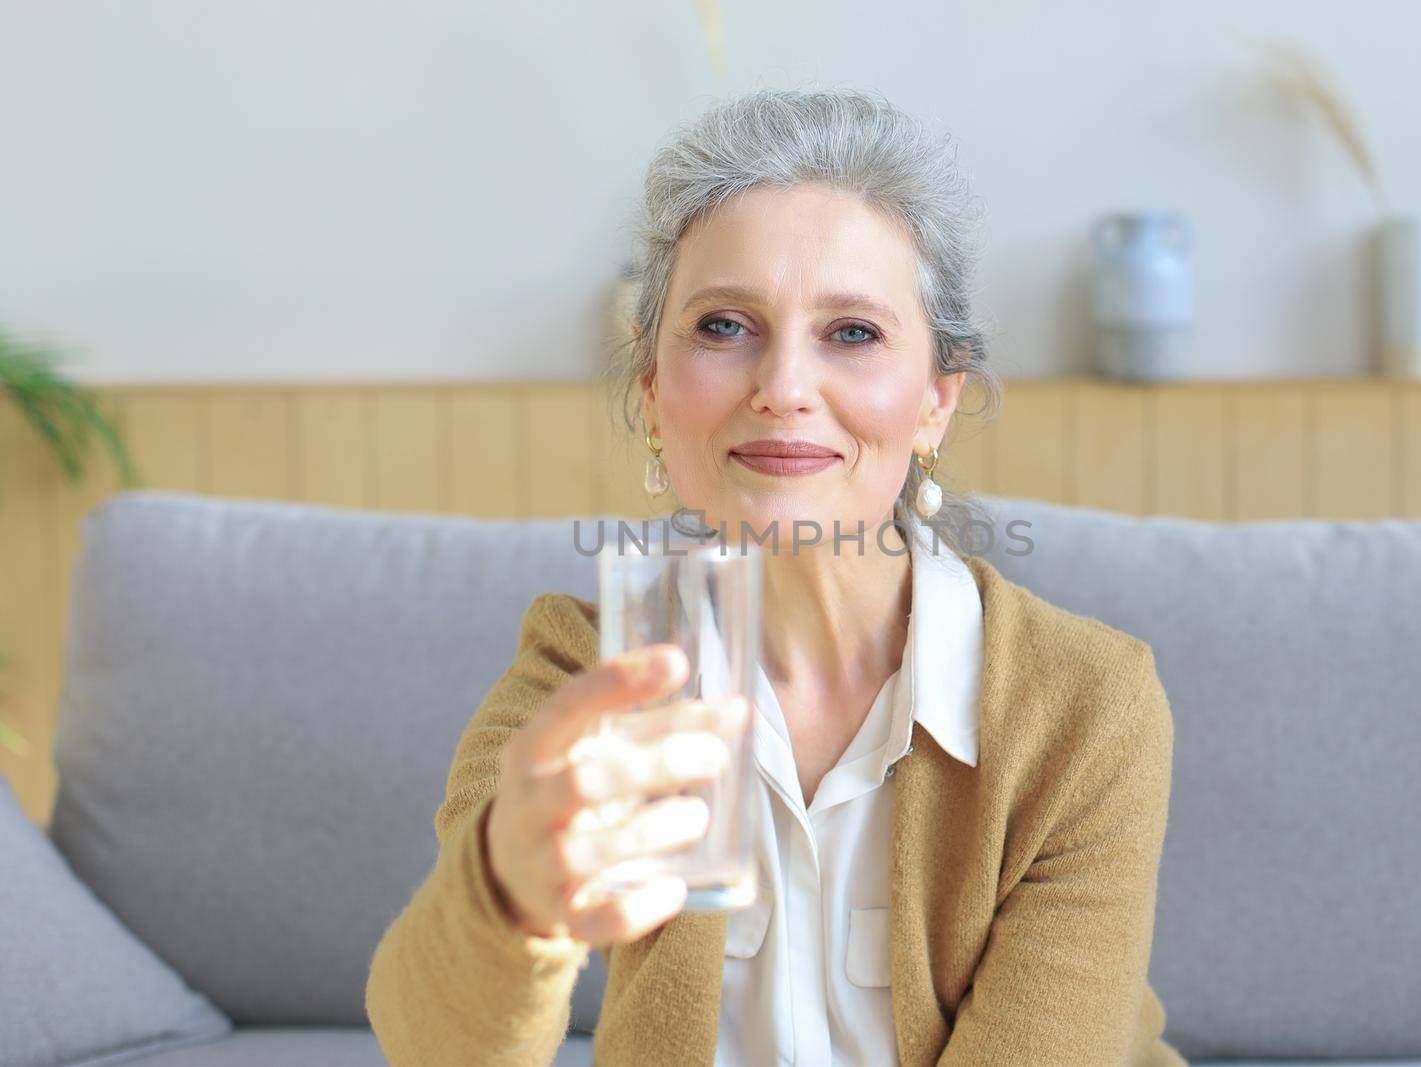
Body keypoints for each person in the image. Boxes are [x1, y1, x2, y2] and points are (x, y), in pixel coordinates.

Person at [367, 87, 1184, 1067]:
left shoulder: (1085, 705)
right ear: (653, 389)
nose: (784, 386)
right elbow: (429, 1043)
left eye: (852, 333)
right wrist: (506, 888)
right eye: (722, 326)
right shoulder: (587, 669)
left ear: (934, 400)